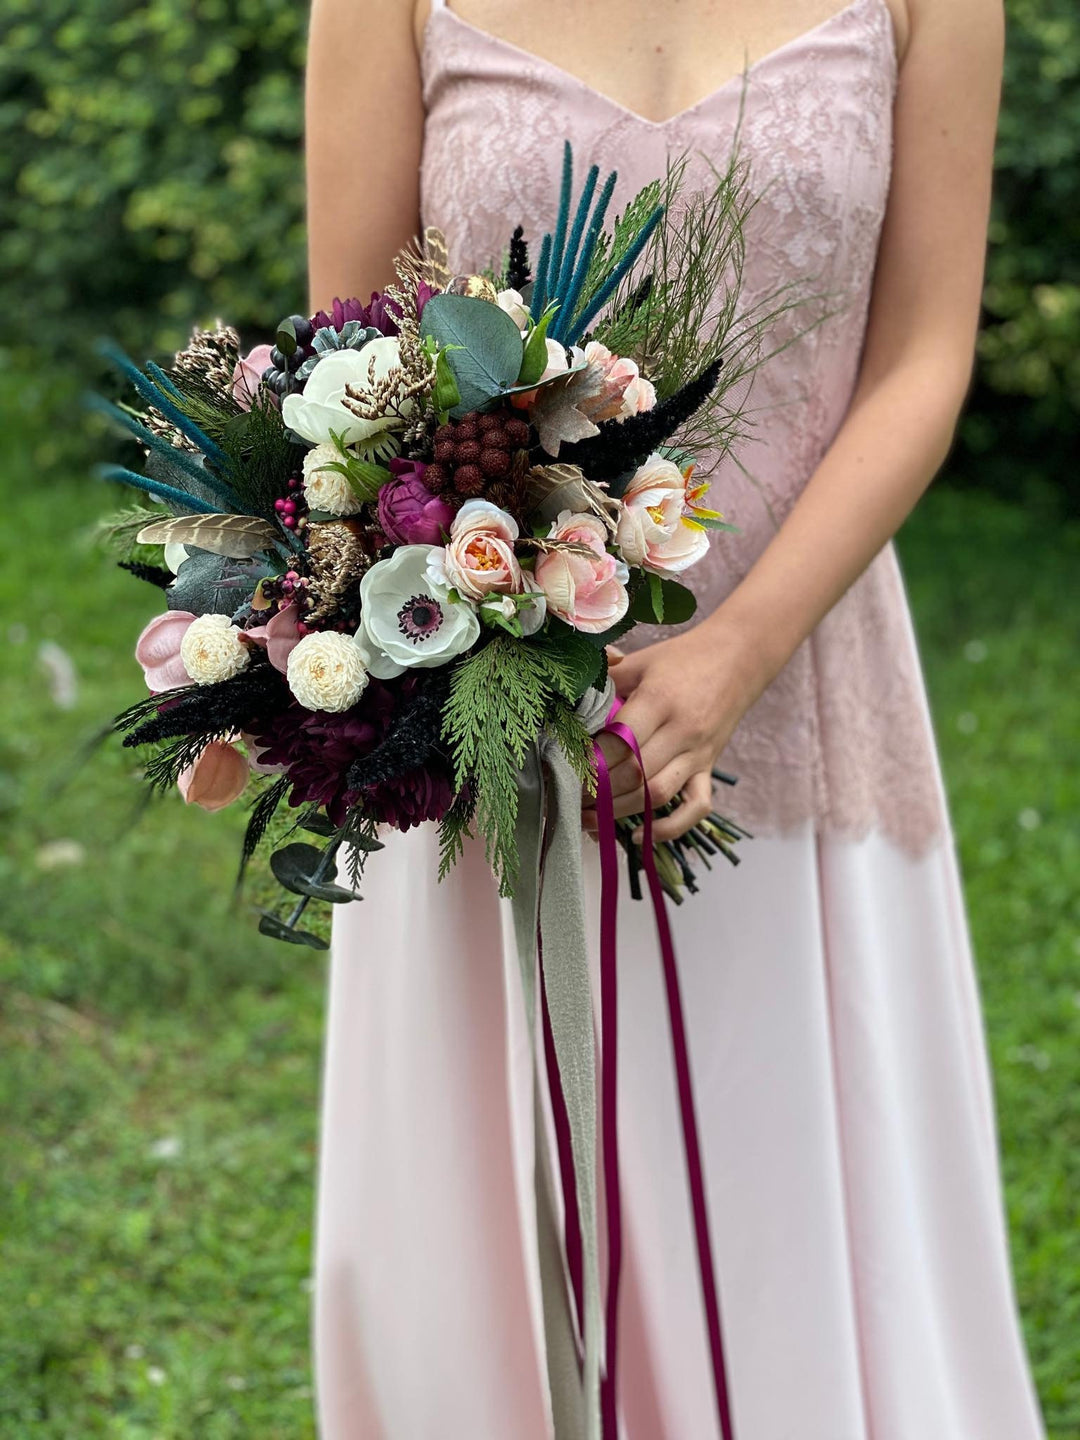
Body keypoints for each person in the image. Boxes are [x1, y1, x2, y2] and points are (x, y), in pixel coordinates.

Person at [305, 1, 1047, 1435]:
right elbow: (352, 373)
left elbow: (921, 361)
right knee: (501, 1243)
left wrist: (736, 657)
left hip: (806, 678)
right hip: (489, 723)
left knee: (797, 1242)